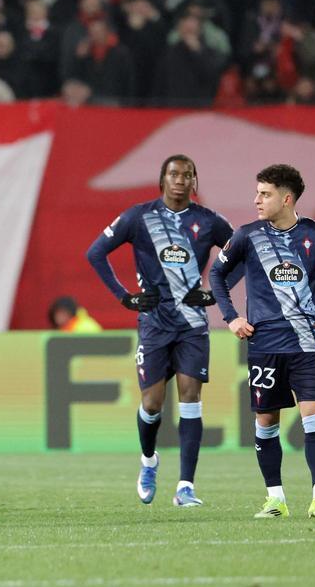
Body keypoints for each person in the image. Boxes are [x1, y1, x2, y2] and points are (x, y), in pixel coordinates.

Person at [86, 155, 233, 507]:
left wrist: (216, 294)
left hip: (193, 325)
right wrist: (125, 297)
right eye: (174, 174)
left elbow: (240, 254)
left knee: (190, 398)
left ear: (194, 181)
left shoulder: (209, 222)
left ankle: (186, 487)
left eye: (187, 175)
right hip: (153, 323)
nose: (180, 180)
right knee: (152, 405)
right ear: (162, 180)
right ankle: (149, 460)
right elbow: (95, 253)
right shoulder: (139, 217)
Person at [209, 164, 315, 519]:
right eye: (257, 192)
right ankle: (275, 499)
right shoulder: (247, 235)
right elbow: (217, 273)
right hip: (265, 345)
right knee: (266, 422)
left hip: (307, 344)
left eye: (265, 194)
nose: (256, 199)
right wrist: (231, 317)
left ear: (286, 199)